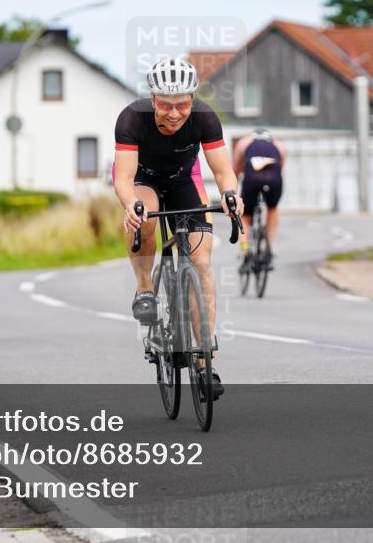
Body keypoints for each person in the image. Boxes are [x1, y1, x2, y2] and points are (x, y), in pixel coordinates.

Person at [113, 57, 243, 399]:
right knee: (144, 215)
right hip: (144, 181)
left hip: (185, 181)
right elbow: (123, 176)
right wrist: (131, 204)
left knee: (202, 266)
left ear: (193, 99)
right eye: (166, 105)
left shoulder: (204, 117)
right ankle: (145, 288)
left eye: (182, 105)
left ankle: (204, 362)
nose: (174, 113)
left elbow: (223, 171)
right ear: (153, 99)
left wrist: (231, 195)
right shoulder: (131, 118)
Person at [233, 128, 286, 264]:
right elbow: (280, 167)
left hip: (251, 180)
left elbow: (236, 169)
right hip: (274, 181)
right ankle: (270, 247)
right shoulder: (279, 145)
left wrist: (233, 189)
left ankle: (244, 249)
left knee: (245, 216)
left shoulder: (244, 142)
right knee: (272, 208)